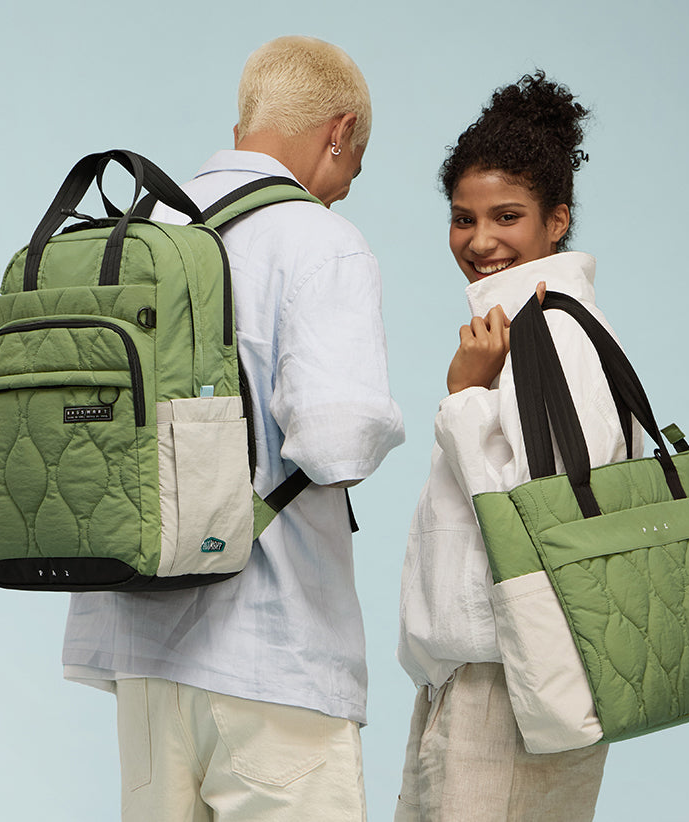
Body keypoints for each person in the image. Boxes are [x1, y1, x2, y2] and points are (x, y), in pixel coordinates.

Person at [60, 35, 404, 822]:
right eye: (355, 164)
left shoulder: (137, 228)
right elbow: (338, 444)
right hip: (273, 655)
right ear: (341, 131)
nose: (347, 186)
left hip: (142, 653)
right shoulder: (319, 240)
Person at [393, 72, 627, 821]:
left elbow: (543, 510)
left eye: (507, 216)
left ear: (557, 222)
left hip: (515, 682)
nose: (480, 241)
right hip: (481, 675)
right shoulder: (522, 328)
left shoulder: (549, 332)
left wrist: (464, 395)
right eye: (463, 219)